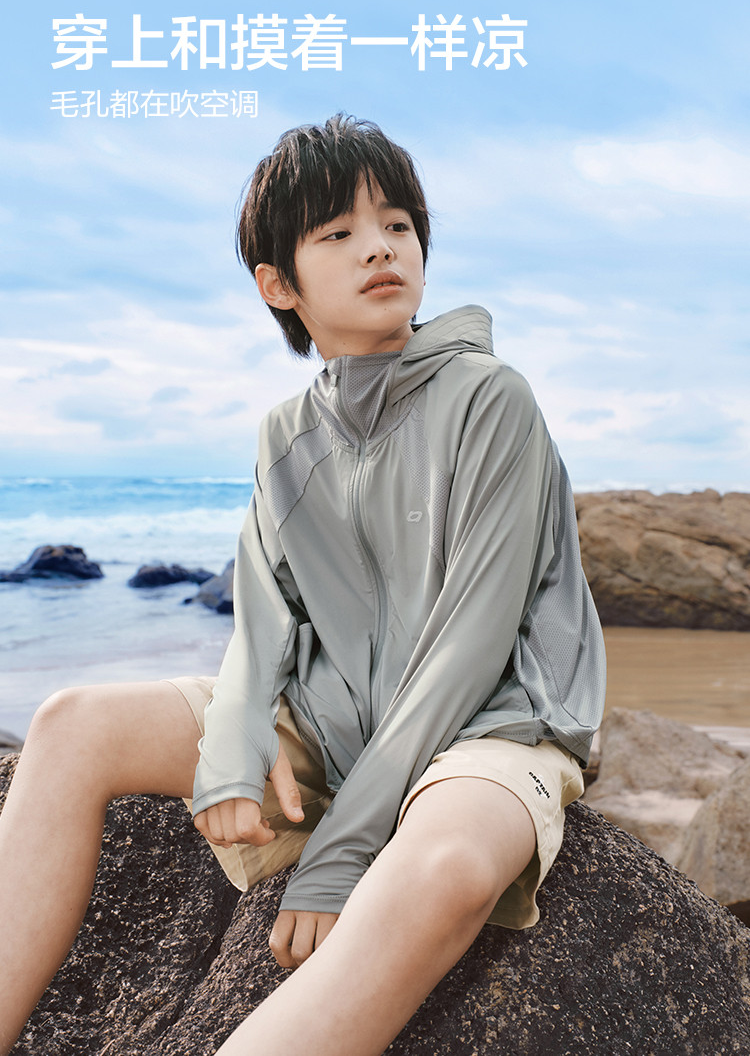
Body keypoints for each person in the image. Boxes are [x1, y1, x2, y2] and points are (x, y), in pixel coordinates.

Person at [0, 114, 606, 1056]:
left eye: (398, 225)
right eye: (338, 232)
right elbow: (263, 617)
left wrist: (341, 850)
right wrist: (236, 742)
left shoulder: (492, 399)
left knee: (448, 863)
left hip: (489, 725)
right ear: (278, 284)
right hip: (328, 729)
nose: (381, 247)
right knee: (73, 723)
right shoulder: (286, 433)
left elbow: (471, 644)